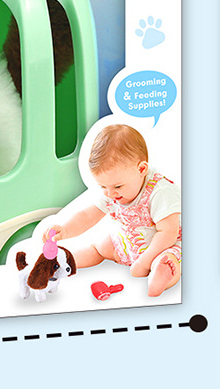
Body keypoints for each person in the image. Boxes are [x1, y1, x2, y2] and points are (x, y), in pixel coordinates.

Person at [49, 124, 181, 297]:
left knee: (169, 258)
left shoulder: (160, 191)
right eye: (103, 186)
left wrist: (144, 262)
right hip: (129, 242)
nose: (110, 194)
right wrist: (65, 230)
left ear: (141, 169)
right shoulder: (112, 189)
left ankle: (161, 276)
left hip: (162, 245)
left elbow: (168, 233)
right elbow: (88, 216)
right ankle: (64, 262)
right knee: (100, 246)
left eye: (117, 186)